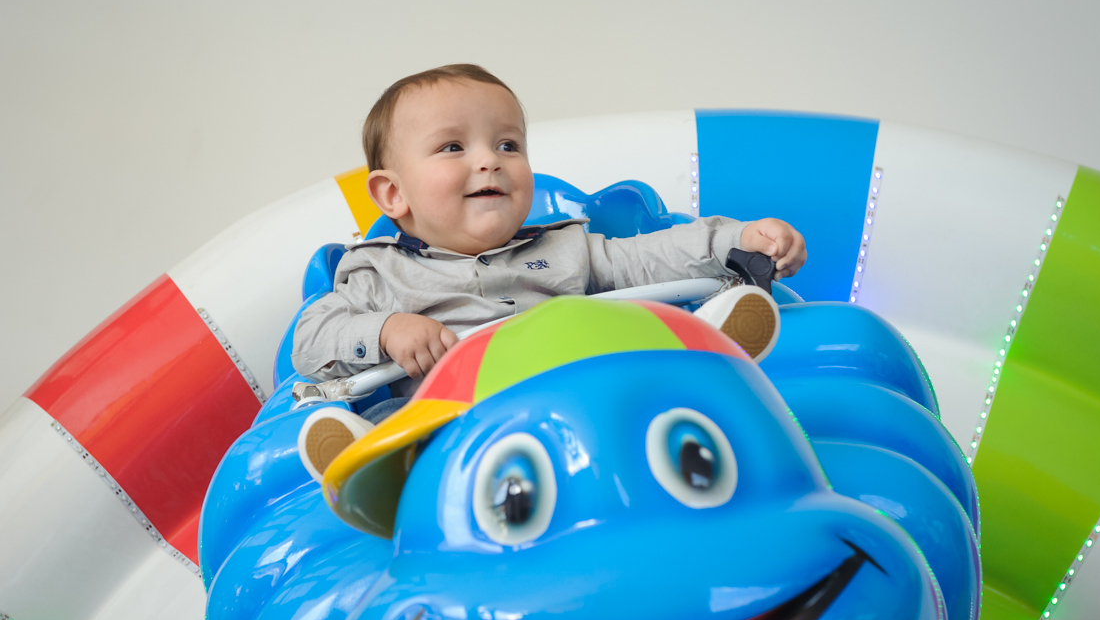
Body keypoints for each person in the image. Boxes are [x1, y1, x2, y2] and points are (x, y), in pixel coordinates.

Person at [292, 64, 806, 478]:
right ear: (392, 194)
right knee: (400, 426)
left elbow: (649, 256)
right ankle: (369, 462)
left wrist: (735, 238)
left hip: (581, 402)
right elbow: (310, 340)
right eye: (453, 147)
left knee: (639, 358)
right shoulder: (379, 273)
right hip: (458, 427)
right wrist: (386, 330)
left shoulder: (564, 249)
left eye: (508, 145)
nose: (490, 161)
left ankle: (708, 349)